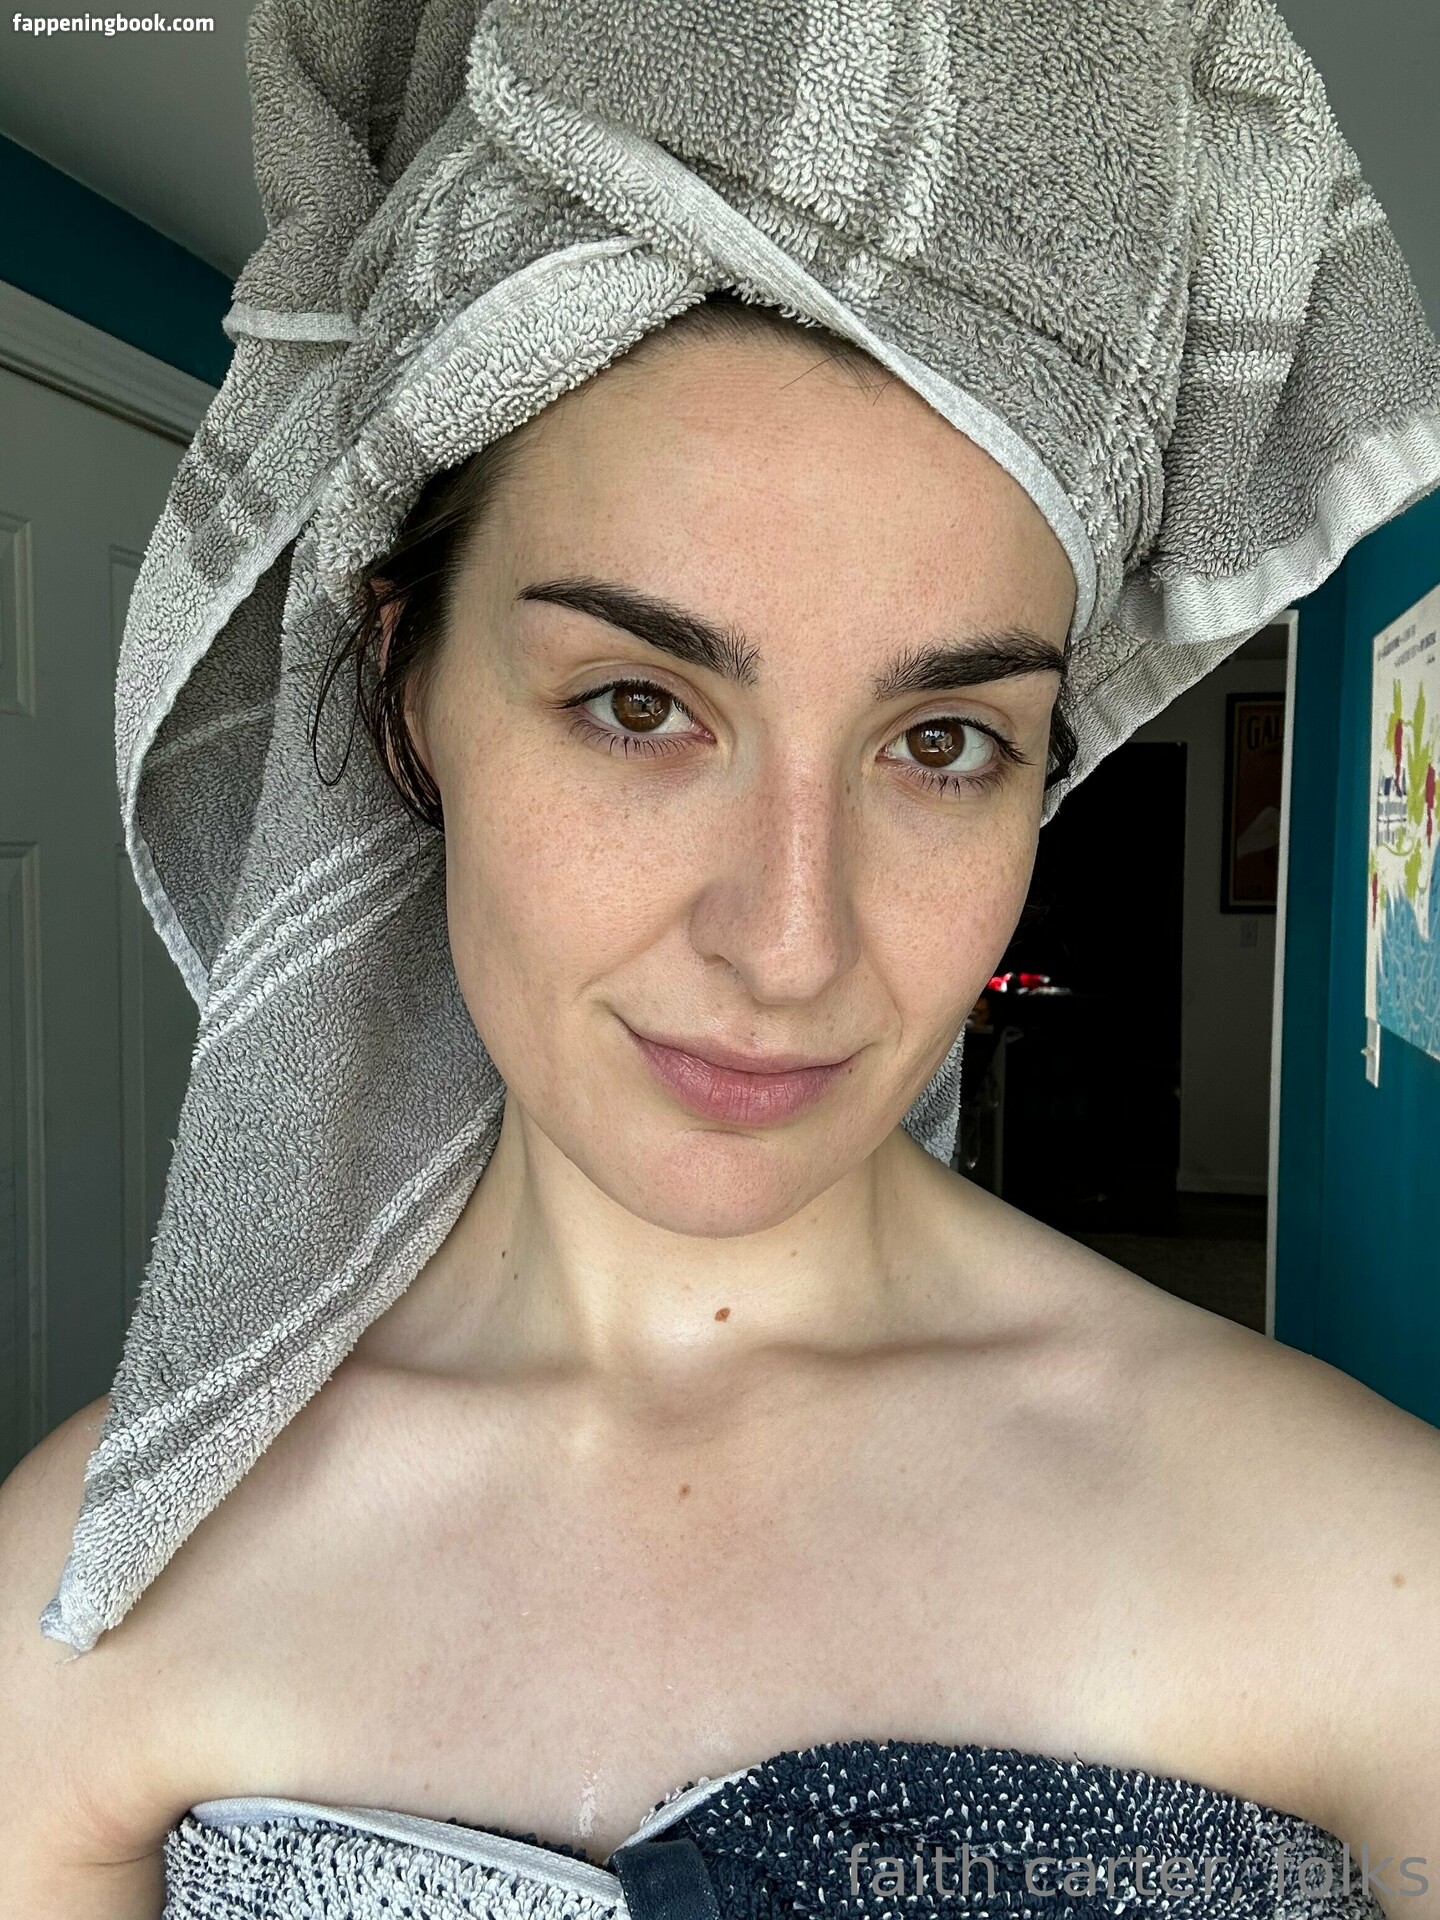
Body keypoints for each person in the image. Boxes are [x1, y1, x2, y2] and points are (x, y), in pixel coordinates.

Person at [4, 0, 1440, 1915]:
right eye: (637, 704)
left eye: (945, 742)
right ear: (405, 690)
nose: (788, 942)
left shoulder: (1376, 1578)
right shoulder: (83, 1603)